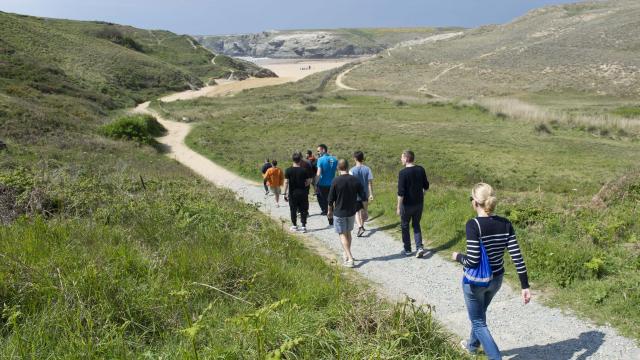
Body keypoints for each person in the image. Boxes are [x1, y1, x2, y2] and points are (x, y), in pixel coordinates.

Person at [452, 183, 531, 360]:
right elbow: (517, 256)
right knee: (480, 314)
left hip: (475, 283)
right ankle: (472, 345)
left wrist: (457, 257)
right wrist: (525, 285)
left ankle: (495, 357)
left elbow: (472, 261)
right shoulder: (505, 224)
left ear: (475, 202)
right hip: (496, 279)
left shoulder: (473, 225)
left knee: (478, 322)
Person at [328, 159, 365, 267]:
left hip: (339, 212)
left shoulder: (335, 181)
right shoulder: (355, 180)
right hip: (351, 212)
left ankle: (349, 258)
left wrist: (329, 211)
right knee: (348, 233)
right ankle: (346, 253)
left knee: (342, 234)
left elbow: (330, 199)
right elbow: (363, 196)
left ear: (338, 168)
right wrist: (364, 210)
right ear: (348, 167)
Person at [397, 150, 429, 258]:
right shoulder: (421, 169)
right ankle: (419, 247)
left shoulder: (402, 173)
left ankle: (407, 249)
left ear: (406, 158)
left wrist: (398, 207)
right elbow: (426, 186)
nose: (401, 159)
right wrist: (423, 193)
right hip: (419, 203)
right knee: (416, 225)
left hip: (406, 205)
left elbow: (401, 193)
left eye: (402, 157)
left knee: (405, 226)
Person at [283, 152, 313, 233]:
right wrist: (305, 184)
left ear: (292, 160)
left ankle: (294, 225)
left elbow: (286, 182)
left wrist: (284, 193)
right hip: (303, 193)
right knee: (303, 209)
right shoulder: (304, 170)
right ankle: (303, 226)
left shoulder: (288, 170)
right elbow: (309, 181)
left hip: (292, 193)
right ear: (300, 160)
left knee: (293, 209)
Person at [349, 150, 374, 237]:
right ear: (362, 158)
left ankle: (360, 227)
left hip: (355, 195)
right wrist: (371, 194)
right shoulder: (368, 169)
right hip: (365, 194)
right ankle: (362, 225)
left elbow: (350, 184)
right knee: (363, 211)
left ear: (355, 159)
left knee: (356, 212)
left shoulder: (351, 170)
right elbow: (369, 183)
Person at [316, 144, 337, 224]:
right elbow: (337, 172)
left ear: (323, 150)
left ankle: (328, 214)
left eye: (318, 151)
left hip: (322, 184)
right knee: (331, 199)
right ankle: (332, 213)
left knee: (323, 199)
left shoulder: (320, 160)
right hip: (332, 182)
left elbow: (318, 173)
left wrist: (315, 183)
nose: (318, 152)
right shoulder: (334, 159)